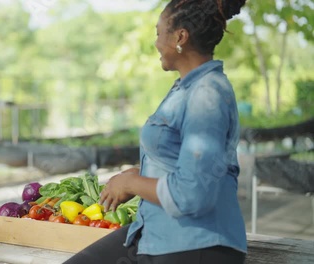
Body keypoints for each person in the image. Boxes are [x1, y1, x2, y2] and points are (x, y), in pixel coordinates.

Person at [65, 0, 248, 263]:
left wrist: (132, 183)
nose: (156, 43)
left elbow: (193, 193)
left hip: (195, 246)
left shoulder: (206, 95)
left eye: (158, 33)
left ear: (180, 37)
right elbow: (185, 166)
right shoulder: (184, 89)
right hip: (154, 233)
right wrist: (142, 173)